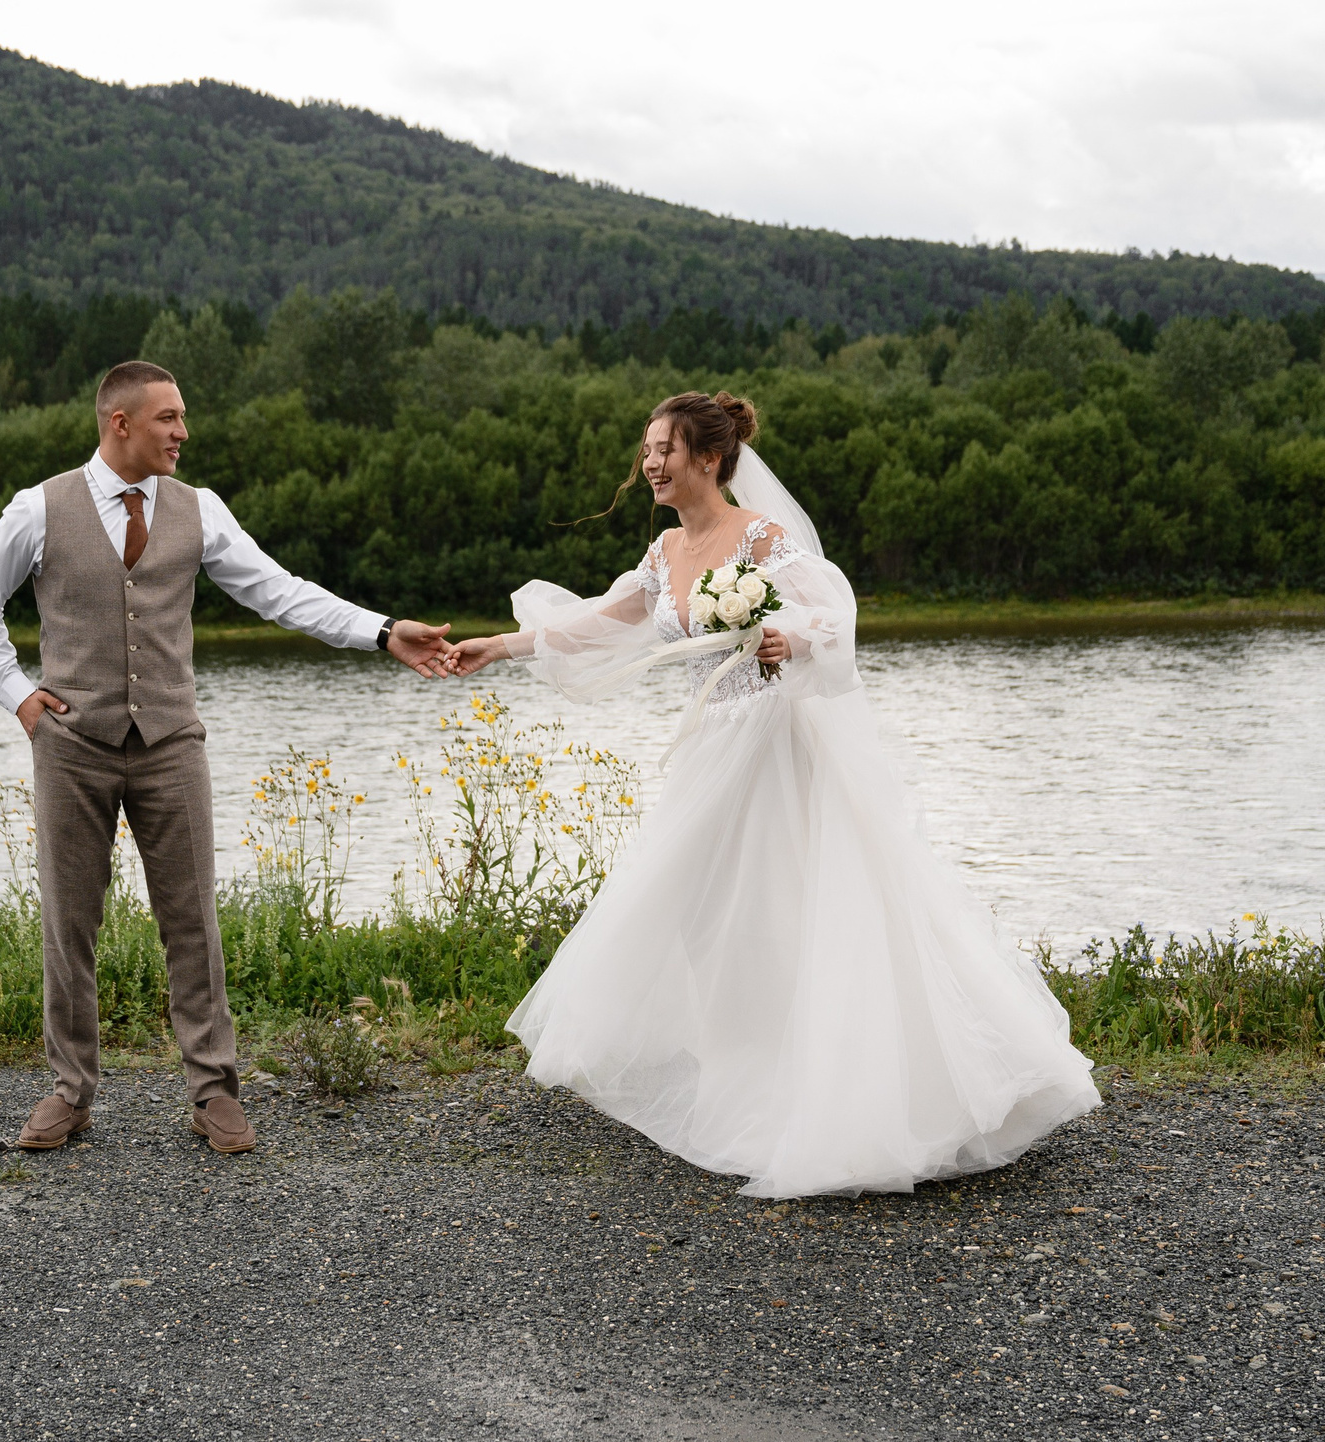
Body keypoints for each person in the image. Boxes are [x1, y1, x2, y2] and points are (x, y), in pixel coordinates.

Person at [446, 391, 1099, 1197]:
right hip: (709, 754)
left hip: (774, 748)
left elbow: (837, 613)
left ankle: (850, 1096)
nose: (650, 463)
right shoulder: (662, 555)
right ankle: (750, 1090)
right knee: (706, 925)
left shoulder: (758, 535)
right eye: (646, 450)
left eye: (665, 450)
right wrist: (498, 646)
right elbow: (594, 622)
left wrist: (793, 638)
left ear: (709, 459)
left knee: (788, 916)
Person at [0, 360, 456, 1155]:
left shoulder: (200, 509)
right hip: (71, 744)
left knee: (193, 922)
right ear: (120, 423)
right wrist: (18, 694)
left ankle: (214, 1092)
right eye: (169, 418)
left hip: (171, 743)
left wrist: (382, 628)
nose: (184, 431)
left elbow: (279, 591)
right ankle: (69, 1091)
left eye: (182, 417)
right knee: (69, 922)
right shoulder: (39, 507)